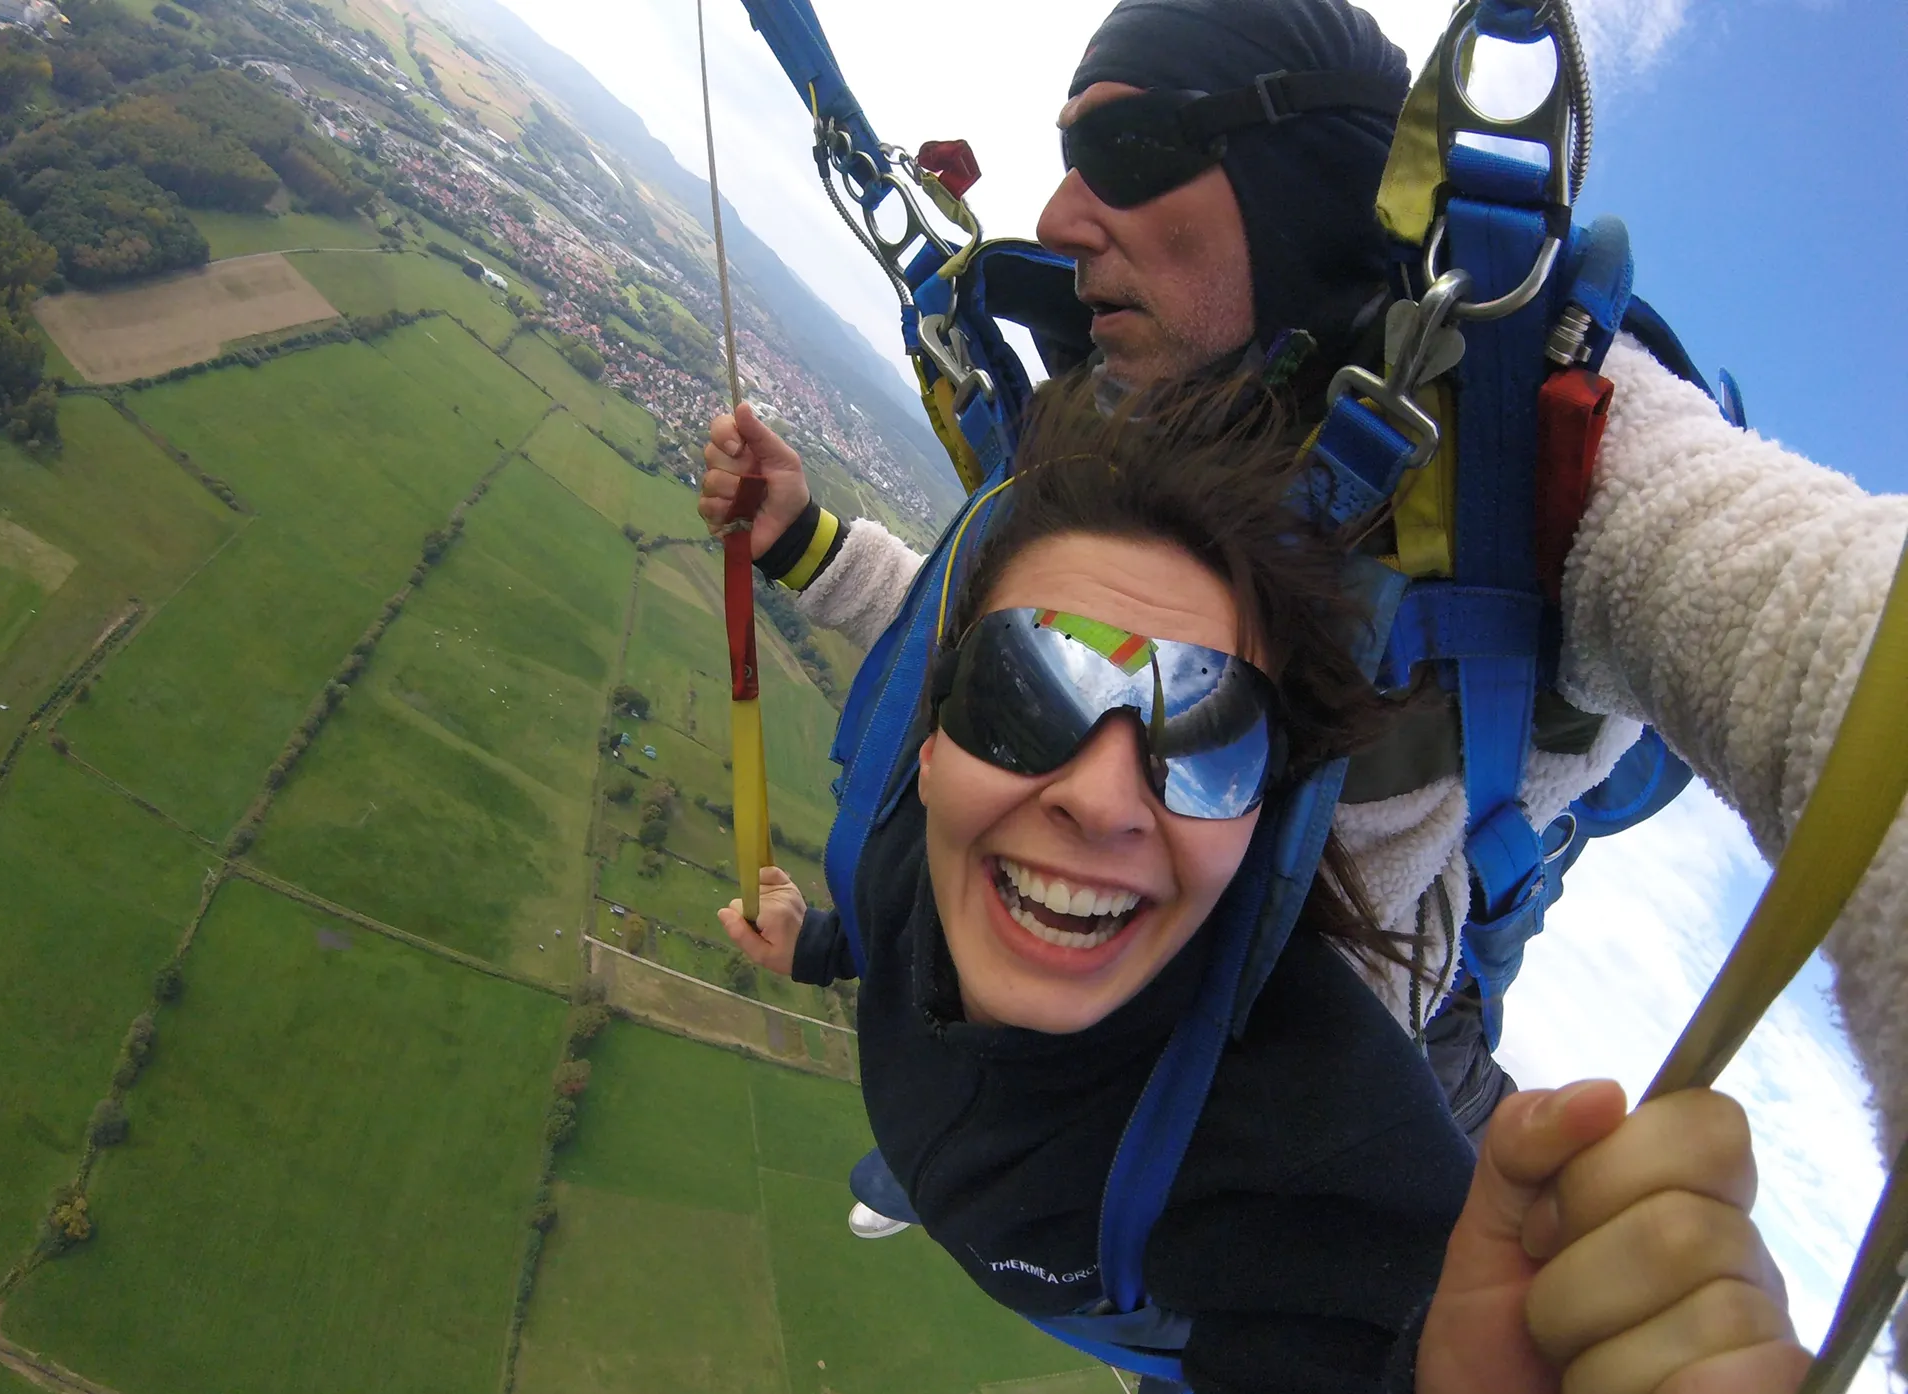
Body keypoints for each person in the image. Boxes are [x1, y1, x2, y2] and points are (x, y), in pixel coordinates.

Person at [700, 0, 1908, 1162]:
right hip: (1095, 1044)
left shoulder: (1534, 431)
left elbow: (1824, 638)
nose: (1062, 218)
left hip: (1352, 1077)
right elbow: (1043, 679)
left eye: (1127, 151)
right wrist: (807, 546)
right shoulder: (1145, 392)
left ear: (1298, 171)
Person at [715, 379, 1810, 1394]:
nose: (1099, 802)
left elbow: (1377, 1318)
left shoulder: (1300, 1131)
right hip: (984, 1166)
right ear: (933, 734)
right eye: (1027, 693)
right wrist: (818, 947)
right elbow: (916, 641)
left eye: (1204, 745)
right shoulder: (901, 845)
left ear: (1253, 826)